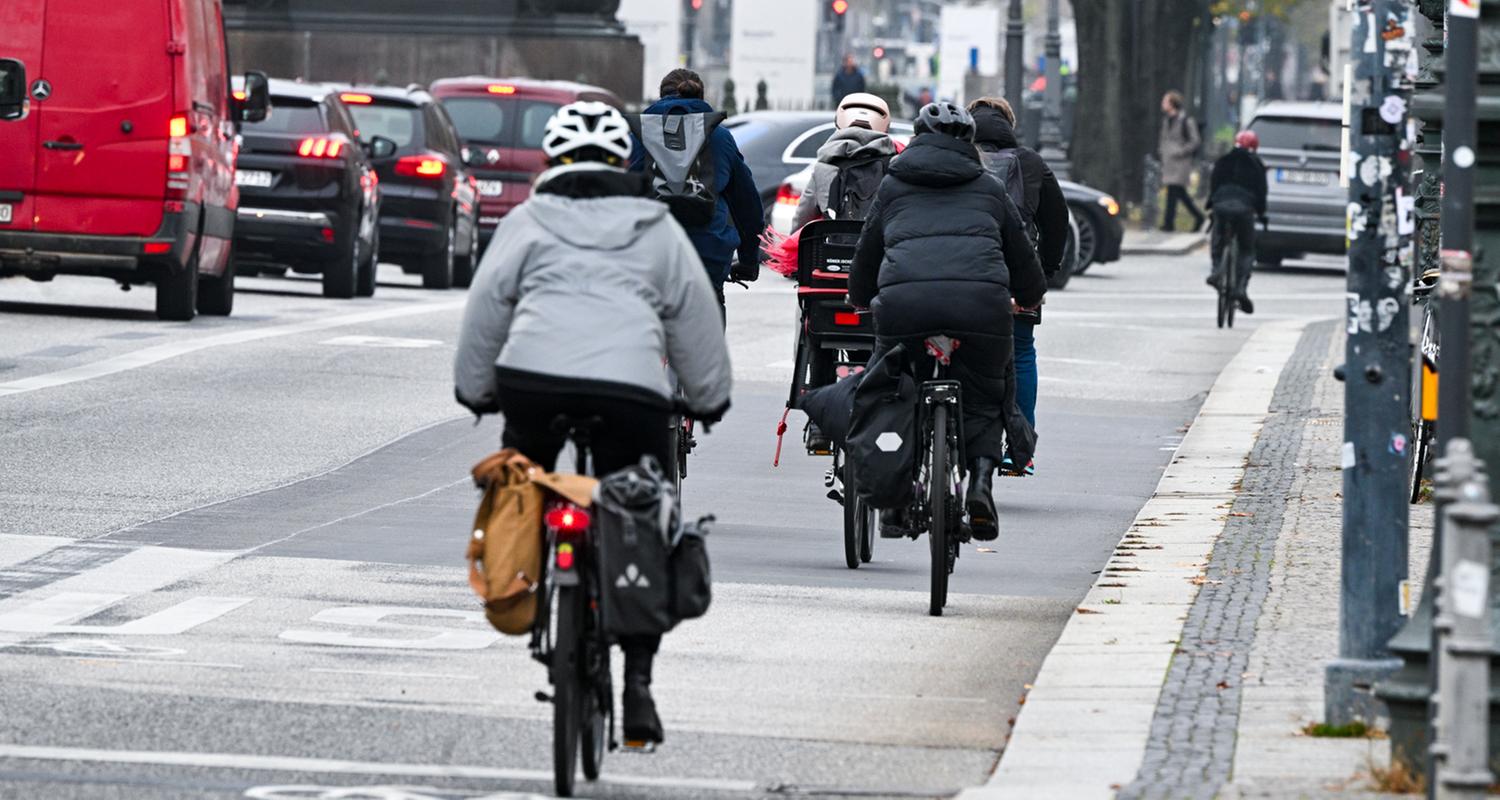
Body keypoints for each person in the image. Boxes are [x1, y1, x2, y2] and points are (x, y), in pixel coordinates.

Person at [454, 102, 732, 746]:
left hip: (532, 383)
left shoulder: (525, 222)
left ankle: (521, 578)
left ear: (552, 163)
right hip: (629, 390)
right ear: (621, 163)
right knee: (641, 508)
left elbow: (486, 310)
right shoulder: (657, 227)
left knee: (521, 478)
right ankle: (637, 683)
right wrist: (707, 397)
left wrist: (477, 390)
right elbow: (693, 317)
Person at [848, 102, 1046, 540]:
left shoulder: (894, 185)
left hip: (905, 307)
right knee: (987, 394)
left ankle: (896, 499)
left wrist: (860, 297)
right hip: (980, 307)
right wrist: (1029, 296)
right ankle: (979, 481)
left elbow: (867, 252)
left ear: (917, 137)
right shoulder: (990, 189)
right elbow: (1022, 258)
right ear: (967, 143)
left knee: (894, 390)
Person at [967, 96, 1069, 477]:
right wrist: (1046, 271)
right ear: (1009, 125)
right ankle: (1020, 448)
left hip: (964, 276)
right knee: (1021, 351)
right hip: (1014, 277)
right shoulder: (1031, 163)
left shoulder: (956, 155)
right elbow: (1057, 220)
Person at [632, 68, 763, 307]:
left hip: (653, 253)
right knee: (709, 326)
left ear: (661, 97)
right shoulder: (720, 138)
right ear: (700, 97)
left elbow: (623, 195)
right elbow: (747, 206)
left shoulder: (641, 135)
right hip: (708, 254)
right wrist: (748, 259)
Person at [790, 92, 897, 230]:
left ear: (838, 121)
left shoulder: (824, 168)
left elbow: (802, 219)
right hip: (879, 250)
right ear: (886, 126)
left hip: (833, 249)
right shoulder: (894, 166)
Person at [1206, 130, 1268, 314]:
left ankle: (1217, 270)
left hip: (1221, 205)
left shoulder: (1223, 160)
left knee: (1217, 240)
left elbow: (1214, 183)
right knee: (1247, 249)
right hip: (1244, 208)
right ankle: (1240, 287)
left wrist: (1211, 204)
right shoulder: (1256, 165)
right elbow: (1261, 192)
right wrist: (1262, 213)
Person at [1158, 90, 1205, 233]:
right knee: (1178, 193)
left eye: (1165, 101)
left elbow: (1195, 141)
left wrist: (1181, 151)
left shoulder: (1186, 121)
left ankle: (1169, 223)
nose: (1163, 104)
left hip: (1180, 164)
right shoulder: (1167, 120)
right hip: (1169, 162)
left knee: (1175, 192)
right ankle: (1195, 217)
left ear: (1172, 104)